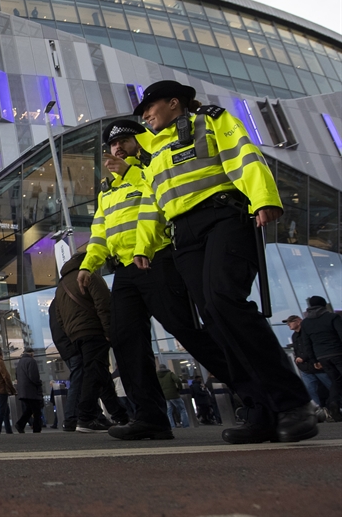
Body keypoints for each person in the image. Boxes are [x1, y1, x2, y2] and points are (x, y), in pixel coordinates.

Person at [122, 79, 316, 443]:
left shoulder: (210, 120)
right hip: (184, 236)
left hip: (223, 218)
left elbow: (243, 156)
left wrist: (263, 198)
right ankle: (260, 409)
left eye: (149, 108)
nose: (145, 116)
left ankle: (293, 403)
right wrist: (143, 246)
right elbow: (154, 202)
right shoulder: (155, 152)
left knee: (225, 300)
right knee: (213, 316)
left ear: (174, 103)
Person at [81, 118, 233, 442]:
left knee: (186, 331)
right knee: (125, 341)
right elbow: (99, 231)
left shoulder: (151, 166)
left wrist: (129, 171)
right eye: (112, 145)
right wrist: (88, 264)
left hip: (157, 259)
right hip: (124, 270)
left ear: (139, 141)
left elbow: (157, 199)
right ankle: (149, 418)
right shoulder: (107, 190)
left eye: (123, 142)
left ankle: (251, 393)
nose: (117, 149)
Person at [53, 252, 128, 432]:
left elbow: (59, 317)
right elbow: (104, 304)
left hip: (76, 335)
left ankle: (121, 416)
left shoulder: (61, 286)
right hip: (94, 331)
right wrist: (109, 330)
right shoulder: (89, 276)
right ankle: (85, 417)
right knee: (94, 373)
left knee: (99, 372)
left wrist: (71, 334)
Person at [299, 296, 342, 422]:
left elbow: (307, 343)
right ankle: (334, 403)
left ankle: (333, 403)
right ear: (324, 305)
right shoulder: (332, 317)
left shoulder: (305, 323)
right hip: (338, 353)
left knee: (336, 380)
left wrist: (314, 360)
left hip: (321, 357)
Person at [285, 314, 332, 414]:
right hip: (305, 369)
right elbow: (297, 351)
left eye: (290, 321)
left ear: (298, 321)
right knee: (311, 390)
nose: (288, 324)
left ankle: (337, 406)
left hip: (317, 365)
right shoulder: (294, 336)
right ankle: (319, 412)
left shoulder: (308, 332)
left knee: (331, 385)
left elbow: (311, 347)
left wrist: (303, 358)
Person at [48, 299, 82, 432]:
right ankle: (71, 417)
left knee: (82, 379)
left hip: (65, 347)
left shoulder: (55, 304)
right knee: (79, 379)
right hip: (72, 346)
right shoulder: (65, 301)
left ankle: (88, 415)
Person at [15, 348, 43, 433]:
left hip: (23, 390)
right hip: (31, 390)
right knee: (37, 410)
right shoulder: (32, 361)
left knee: (29, 409)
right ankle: (36, 428)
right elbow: (33, 376)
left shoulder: (20, 362)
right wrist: (39, 383)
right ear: (31, 354)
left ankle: (20, 424)